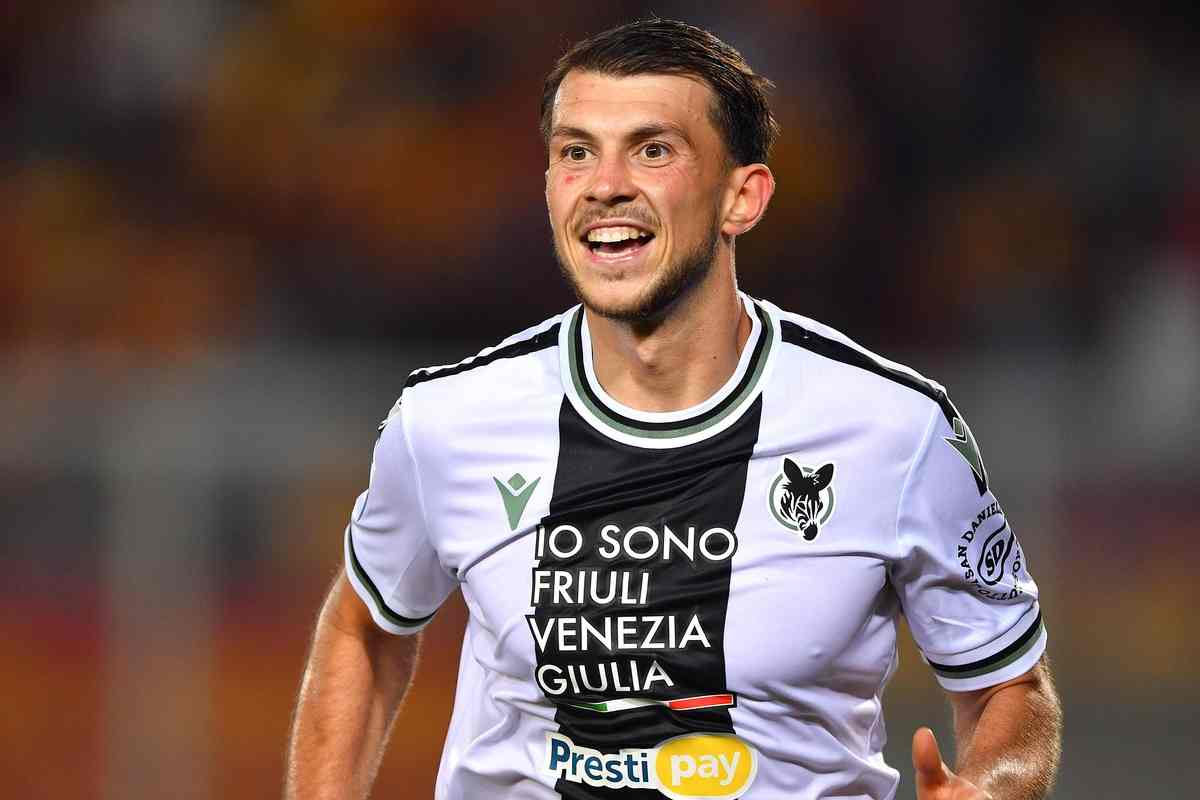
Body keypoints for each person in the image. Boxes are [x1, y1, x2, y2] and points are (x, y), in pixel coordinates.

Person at [285, 18, 1062, 800]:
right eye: (576, 152)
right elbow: (362, 630)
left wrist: (990, 787)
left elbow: (1011, 687)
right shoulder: (445, 420)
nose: (605, 184)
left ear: (742, 198)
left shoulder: (896, 431)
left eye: (652, 150)